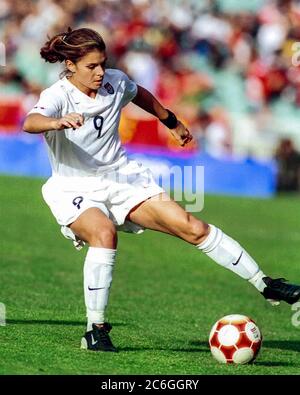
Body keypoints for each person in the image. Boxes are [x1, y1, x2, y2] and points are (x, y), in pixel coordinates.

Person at [23, 27, 300, 353]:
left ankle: (266, 284)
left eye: (102, 63)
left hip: (122, 178)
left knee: (193, 227)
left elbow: (137, 93)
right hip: (74, 186)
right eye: (91, 67)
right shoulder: (58, 95)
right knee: (103, 232)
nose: (99, 72)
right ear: (70, 65)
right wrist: (56, 122)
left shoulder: (113, 80)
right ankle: (95, 329)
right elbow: (31, 122)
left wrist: (170, 121)